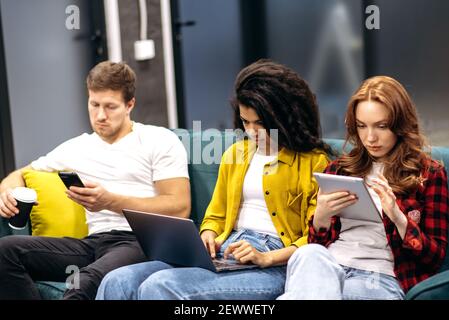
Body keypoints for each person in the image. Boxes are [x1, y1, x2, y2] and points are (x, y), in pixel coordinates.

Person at [95, 59, 330, 300]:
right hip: (228, 252)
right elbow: (215, 216)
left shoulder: (314, 162)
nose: (251, 131)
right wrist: (208, 235)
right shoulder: (236, 154)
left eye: (260, 123)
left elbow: (316, 239)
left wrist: (266, 257)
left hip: (274, 263)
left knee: (160, 286)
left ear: (283, 118)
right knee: (118, 281)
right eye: (245, 122)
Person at [0, 61, 191, 300]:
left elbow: (180, 208)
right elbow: (17, 174)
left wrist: (110, 202)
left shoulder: (158, 140)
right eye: (94, 105)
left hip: (141, 240)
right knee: (6, 251)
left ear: (129, 104)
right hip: (93, 244)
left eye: (110, 107)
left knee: (83, 282)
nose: (100, 115)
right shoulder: (78, 146)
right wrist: (9, 192)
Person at [278, 76, 449, 300]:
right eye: (361, 126)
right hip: (329, 267)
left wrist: (399, 218)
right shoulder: (338, 170)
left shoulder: (429, 174)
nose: (370, 138)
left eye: (382, 126)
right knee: (309, 253)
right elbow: (317, 242)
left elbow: (434, 258)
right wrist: (320, 216)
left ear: (401, 125)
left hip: (379, 277)